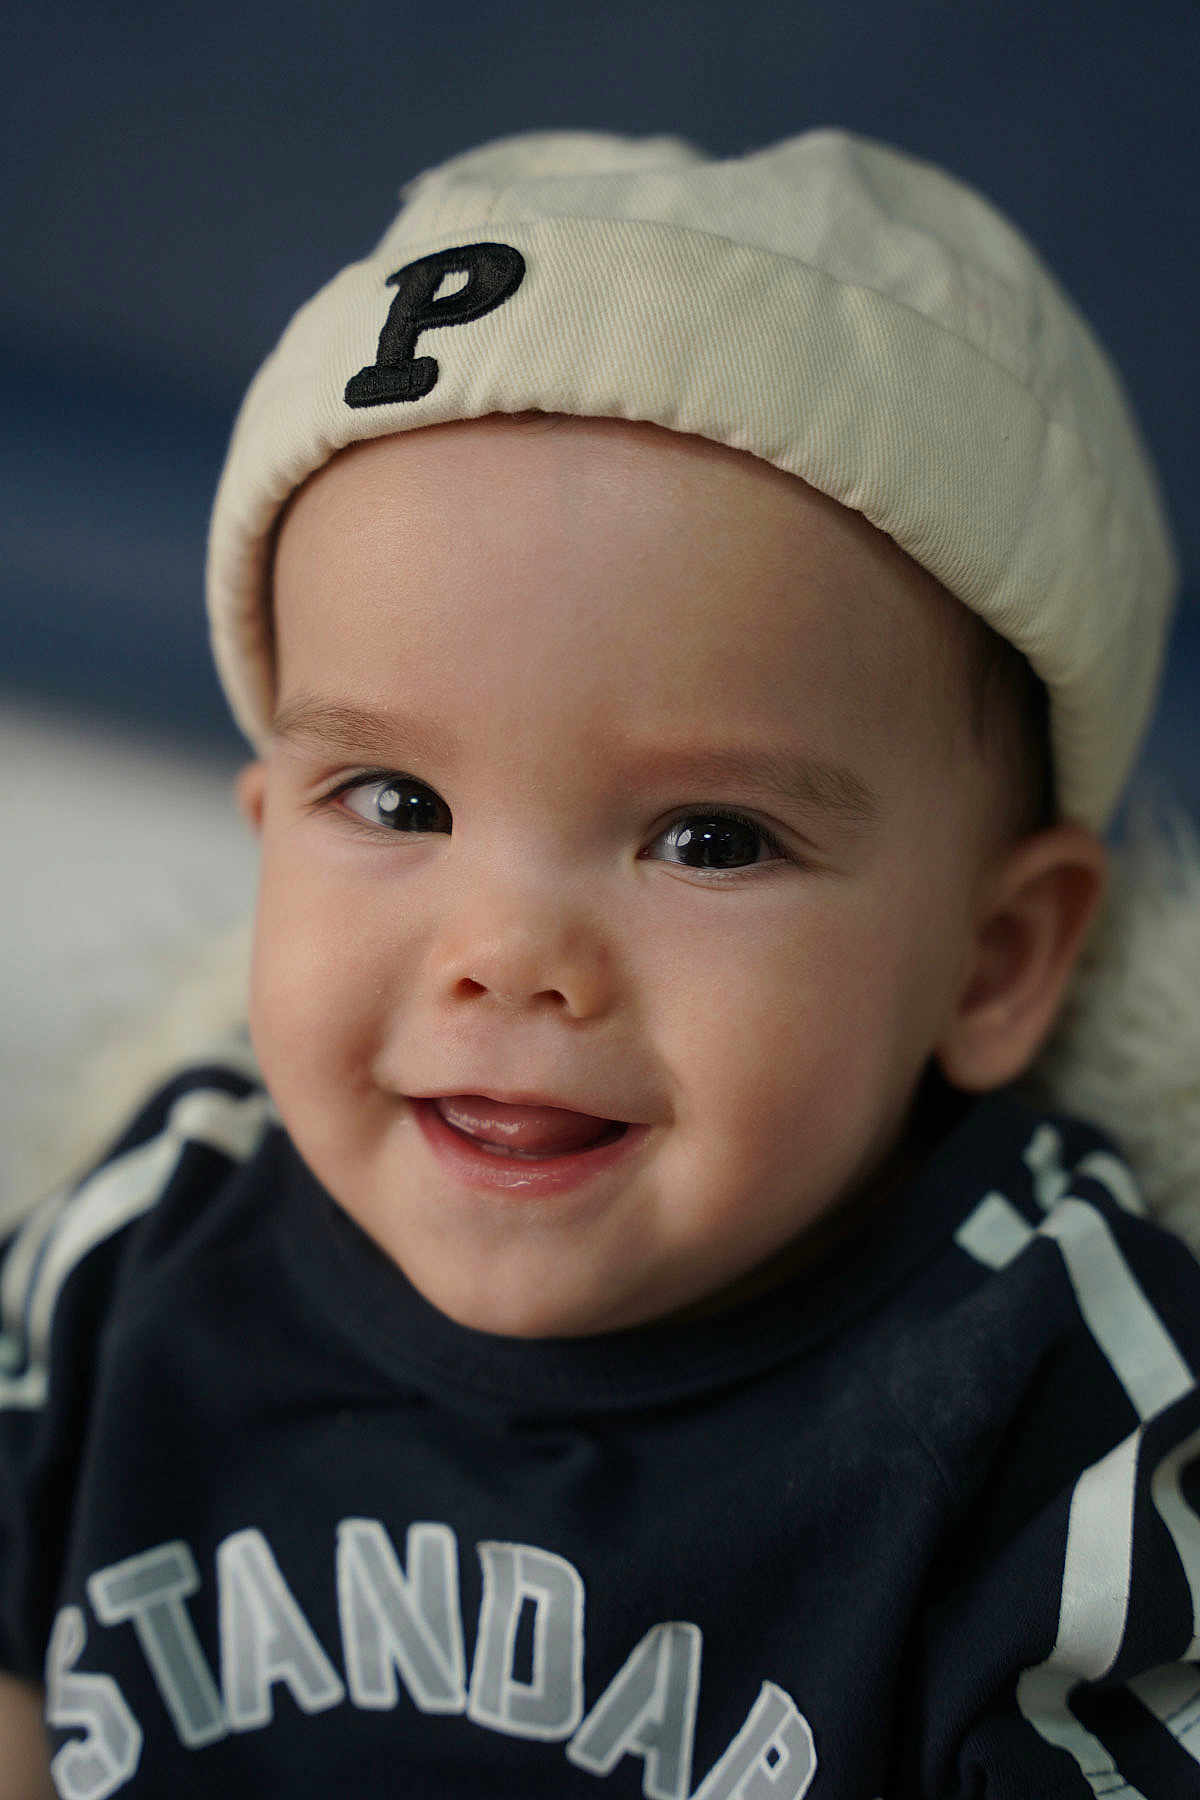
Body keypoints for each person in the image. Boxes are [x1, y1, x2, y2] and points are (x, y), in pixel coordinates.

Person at [0, 128, 1196, 1798]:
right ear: (266, 825)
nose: (509, 958)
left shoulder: (1060, 1420)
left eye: (709, 839)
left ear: (995, 961)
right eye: (396, 800)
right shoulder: (142, 1250)